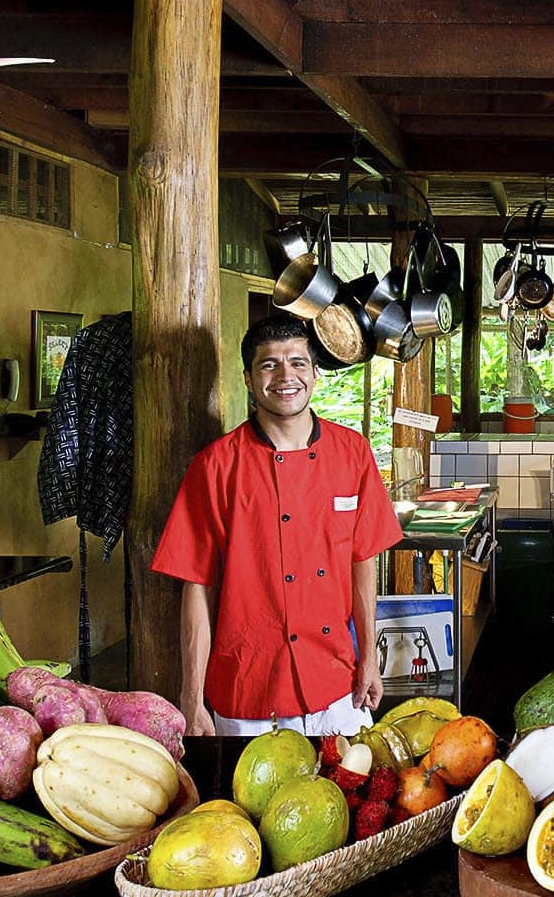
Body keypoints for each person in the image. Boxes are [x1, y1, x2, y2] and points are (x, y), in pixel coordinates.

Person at [152, 313, 403, 737]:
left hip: (337, 685)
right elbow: (196, 585)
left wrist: (369, 661)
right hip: (247, 688)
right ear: (249, 380)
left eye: (298, 362)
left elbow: (363, 561)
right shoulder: (215, 466)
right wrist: (191, 699)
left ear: (315, 373)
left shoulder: (353, 453)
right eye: (269, 365)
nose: (286, 376)